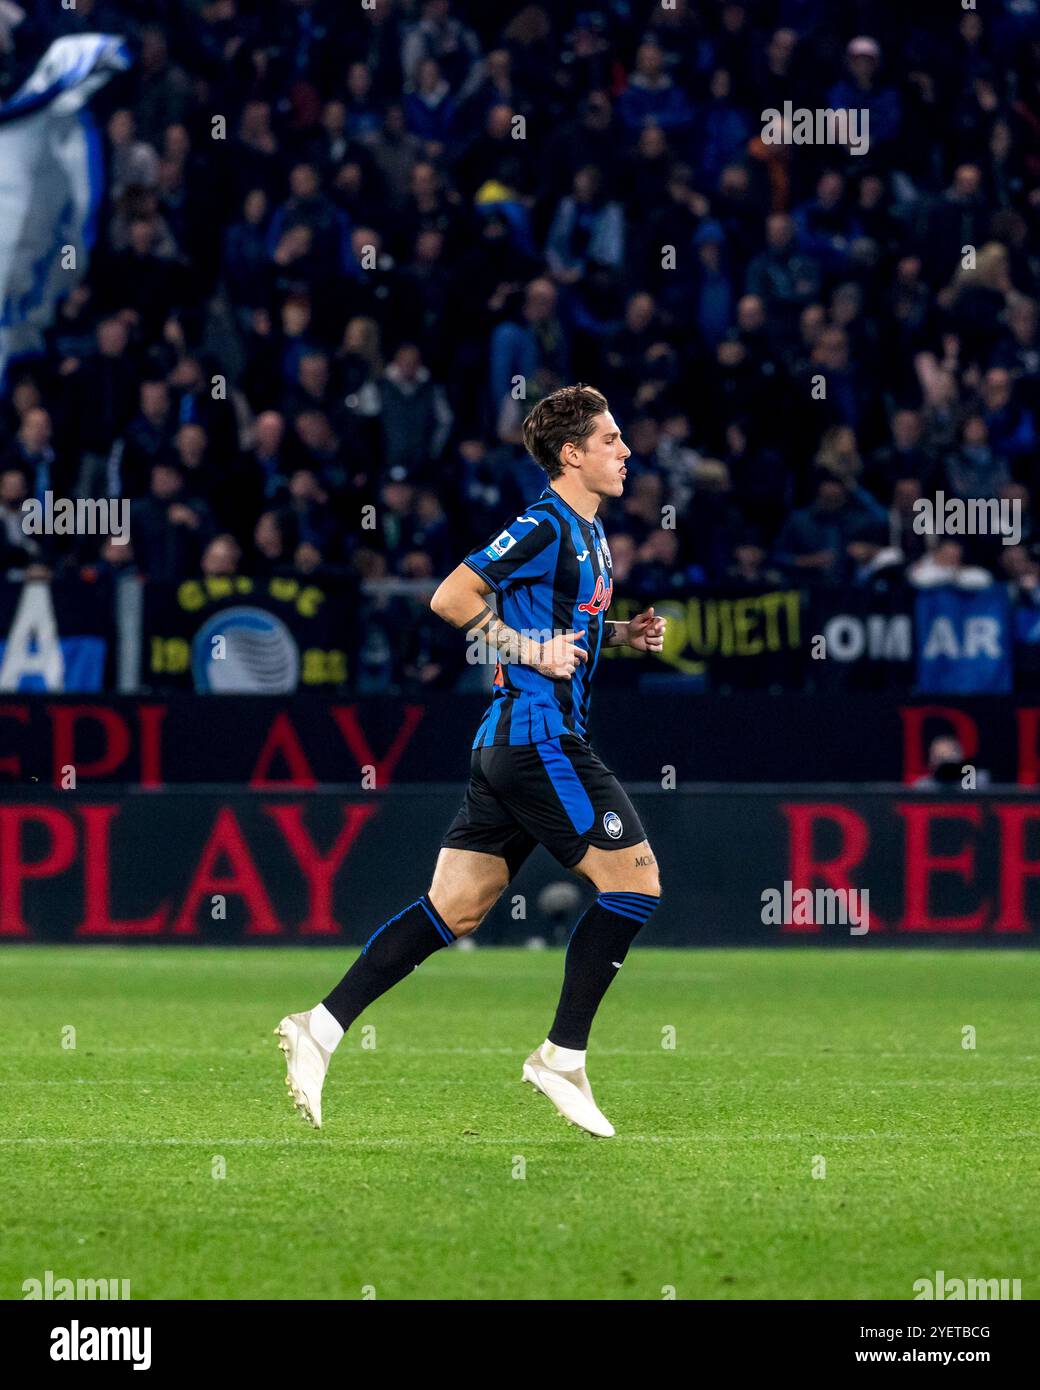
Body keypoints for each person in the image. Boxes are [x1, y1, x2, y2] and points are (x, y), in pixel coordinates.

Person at [276, 384, 666, 1137]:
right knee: (636, 884)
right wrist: (528, 650)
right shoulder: (545, 524)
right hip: (538, 739)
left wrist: (622, 635)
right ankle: (561, 1056)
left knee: (456, 908)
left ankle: (319, 1027)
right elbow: (452, 597)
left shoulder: (592, 535)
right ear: (572, 453)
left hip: (506, 744)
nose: (626, 451)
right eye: (612, 439)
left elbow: (564, 627)